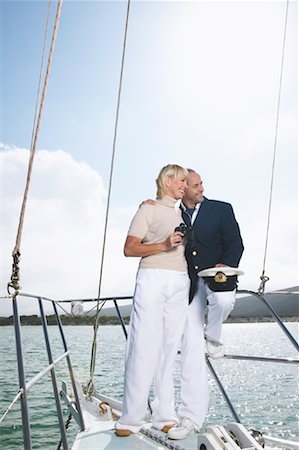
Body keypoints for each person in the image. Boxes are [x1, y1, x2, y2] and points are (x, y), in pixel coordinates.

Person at [141, 168, 244, 440]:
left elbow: (236, 244)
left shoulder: (222, 209)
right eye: (195, 185)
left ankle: (215, 337)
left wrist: (227, 263)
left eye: (201, 184)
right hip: (188, 287)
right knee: (190, 349)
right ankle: (189, 417)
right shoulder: (173, 213)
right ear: (182, 188)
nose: (201, 188)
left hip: (218, 279)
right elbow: (156, 223)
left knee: (222, 300)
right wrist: (149, 204)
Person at [115, 164, 190, 437]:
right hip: (152, 277)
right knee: (142, 346)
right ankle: (130, 419)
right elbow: (129, 248)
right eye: (181, 180)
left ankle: (164, 416)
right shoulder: (147, 209)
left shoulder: (184, 212)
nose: (184, 184)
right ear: (168, 180)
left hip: (181, 282)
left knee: (168, 349)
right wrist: (163, 245)